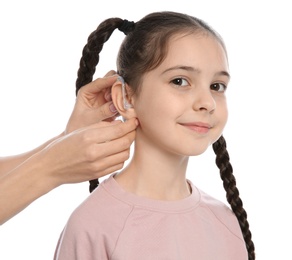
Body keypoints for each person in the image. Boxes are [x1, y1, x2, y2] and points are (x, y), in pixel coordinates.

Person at [53, 11, 255, 260]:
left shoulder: (225, 222)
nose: (207, 102)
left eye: (217, 86)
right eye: (180, 81)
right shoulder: (93, 225)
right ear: (126, 97)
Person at [0, 71, 138, 225]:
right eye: (171, 81)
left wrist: (67, 138)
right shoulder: (92, 226)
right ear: (127, 99)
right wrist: (49, 168)